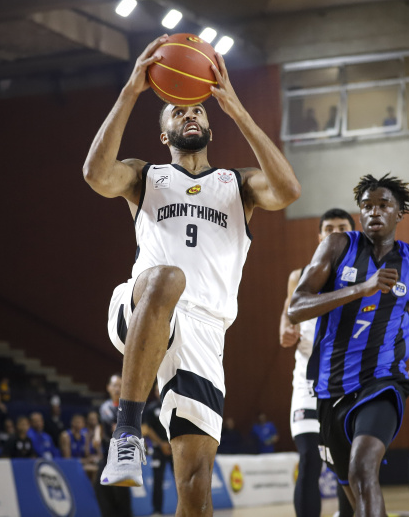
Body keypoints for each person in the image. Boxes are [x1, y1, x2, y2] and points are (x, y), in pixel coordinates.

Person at [83, 34, 300, 513]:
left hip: (206, 333)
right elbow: (96, 175)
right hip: (143, 304)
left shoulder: (237, 186)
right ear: (165, 135)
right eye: (178, 113)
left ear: (210, 124)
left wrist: (237, 109)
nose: (190, 115)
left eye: (198, 111)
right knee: (168, 278)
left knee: (196, 488)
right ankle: (127, 433)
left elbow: (287, 189)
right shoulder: (147, 176)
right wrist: (130, 92)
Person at [288, 174, 409, 517]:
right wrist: (361, 288)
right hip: (331, 388)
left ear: (399, 213)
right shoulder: (337, 246)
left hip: (383, 381)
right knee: (358, 493)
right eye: (367, 206)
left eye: (384, 205)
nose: (374, 212)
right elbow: (295, 308)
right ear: (359, 213)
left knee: (363, 470)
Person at [279, 208, 355, 517]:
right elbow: (288, 309)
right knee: (309, 458)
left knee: (345, 462)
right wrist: (285, 328)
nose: (335, 231)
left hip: (347, 379)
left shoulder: (363, 273)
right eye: (329, 227)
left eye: (342, 226)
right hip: (308, 381)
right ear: (319, 235)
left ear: (353, 232)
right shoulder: (300, 275)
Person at [95, 374, 131, 517]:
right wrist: (97, 435)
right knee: (101, 488)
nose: (118, 388)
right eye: (115, 385)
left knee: (121, 493)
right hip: (106, 455)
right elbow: (100, 425)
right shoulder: (104, 407)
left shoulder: (127, 407)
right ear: (108, 388)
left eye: (120, 386)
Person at [142, 384, 173, 515]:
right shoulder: (150, 409)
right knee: (158, 480)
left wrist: (172, 444)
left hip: (174, 449)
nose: (159, 392)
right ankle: (157, 510)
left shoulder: (174, 407)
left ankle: (185, 508)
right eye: (157, 390)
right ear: (154, 392)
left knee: (181, 479)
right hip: (158, 450)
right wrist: (161, 444)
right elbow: (145, 429)